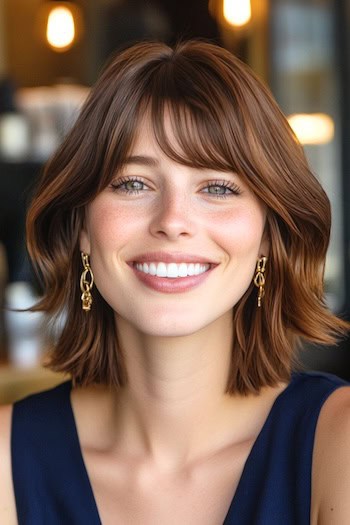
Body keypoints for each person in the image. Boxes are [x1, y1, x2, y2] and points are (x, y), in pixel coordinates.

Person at [1, 40, 350, 525]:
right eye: (133, 183)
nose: (172, 221)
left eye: (218, 187)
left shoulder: (338, 442)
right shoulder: (5, 460)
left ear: (269, 234)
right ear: (82, 228)